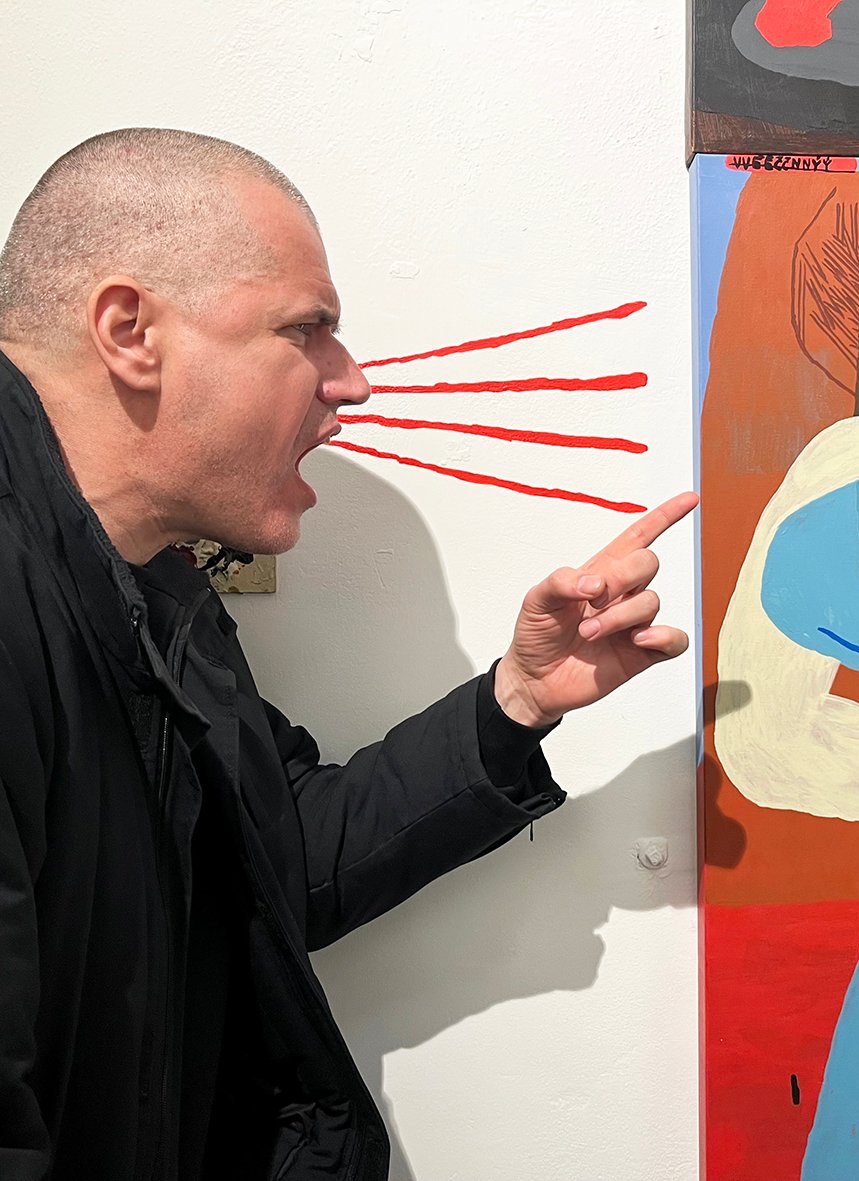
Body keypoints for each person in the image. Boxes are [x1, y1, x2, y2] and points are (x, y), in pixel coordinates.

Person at [0, 127, 696, 1180]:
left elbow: (272, 861)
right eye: (307, 329)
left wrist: (516, 699)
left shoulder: (156, 587)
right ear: (130, 331)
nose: (353, 381)